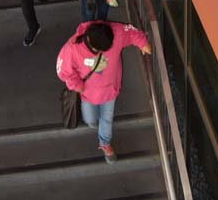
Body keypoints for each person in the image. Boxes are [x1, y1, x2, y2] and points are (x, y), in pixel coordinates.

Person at [56, 21, 151, 163]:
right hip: (88, 94)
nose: (102, 53)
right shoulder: (72, 49)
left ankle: (105, 143)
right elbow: (64, 71)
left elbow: (132, 33)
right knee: (91, 120)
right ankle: (93, 123)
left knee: (106, 119)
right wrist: (76, 85)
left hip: (110, 91)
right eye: (99, 51)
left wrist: (142, 42)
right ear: (89, 41)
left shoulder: (116, 32)